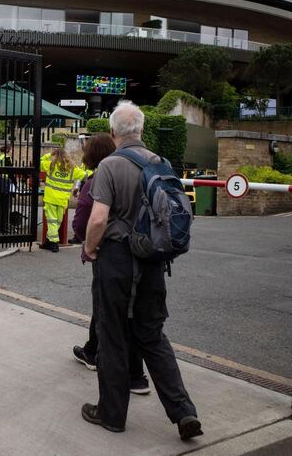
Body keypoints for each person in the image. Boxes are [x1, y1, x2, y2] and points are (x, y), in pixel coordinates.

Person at [81, 101, 202, 440]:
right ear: (142, 131)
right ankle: (184, 412)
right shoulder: (160, 162)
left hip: (118, 259)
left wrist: (90, 248)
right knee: (152, 335)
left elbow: (99, 218)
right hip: (153, 261)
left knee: (113, 335)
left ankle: (111, 414)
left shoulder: (110, 165)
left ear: (113, 132)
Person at [69, 134, 151, 395]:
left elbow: (87, 220)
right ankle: (96, 352)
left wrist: (88, 246)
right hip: (144, 249)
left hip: (111, 251)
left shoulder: (99, 178)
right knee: (134, 312)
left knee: (109, 312)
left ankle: (129, 377)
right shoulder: (144, 167)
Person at [39, 147, 87, 252]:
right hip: (63, 199)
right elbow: (85, 175)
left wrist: (49, 155)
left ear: (55, 156)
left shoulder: (51, 165)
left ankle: (53, 243)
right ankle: (49, 241)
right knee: (57, 222)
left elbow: (39, 162)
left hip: (51, 198)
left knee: (52, 221)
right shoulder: (72, 168)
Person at [0, 145, 14, 233]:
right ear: (8, 150)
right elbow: (10, 172)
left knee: (2, 205)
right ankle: (2, 227)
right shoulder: (7, 158)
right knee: (6, 206)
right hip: (3, 183)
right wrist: (15, 184)